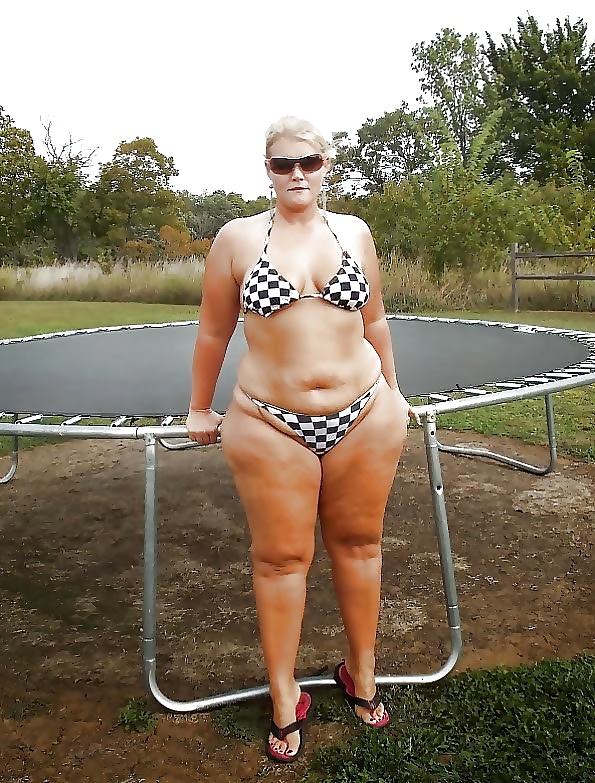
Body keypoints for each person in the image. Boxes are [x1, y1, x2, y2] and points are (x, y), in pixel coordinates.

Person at [186, 116, 416, 764]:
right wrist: (199, 407)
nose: (296, 174)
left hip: (363, 412)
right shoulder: (236, 239)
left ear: (325, 167)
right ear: (267, 169)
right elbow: (213, 331)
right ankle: (284, 696)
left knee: (360, 545)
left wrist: (395, 391)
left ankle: (361, 674)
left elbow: (374, 320)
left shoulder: (355, 233)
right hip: (268, 420)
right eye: (283, 164)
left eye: (308, 162)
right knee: (281, 558)